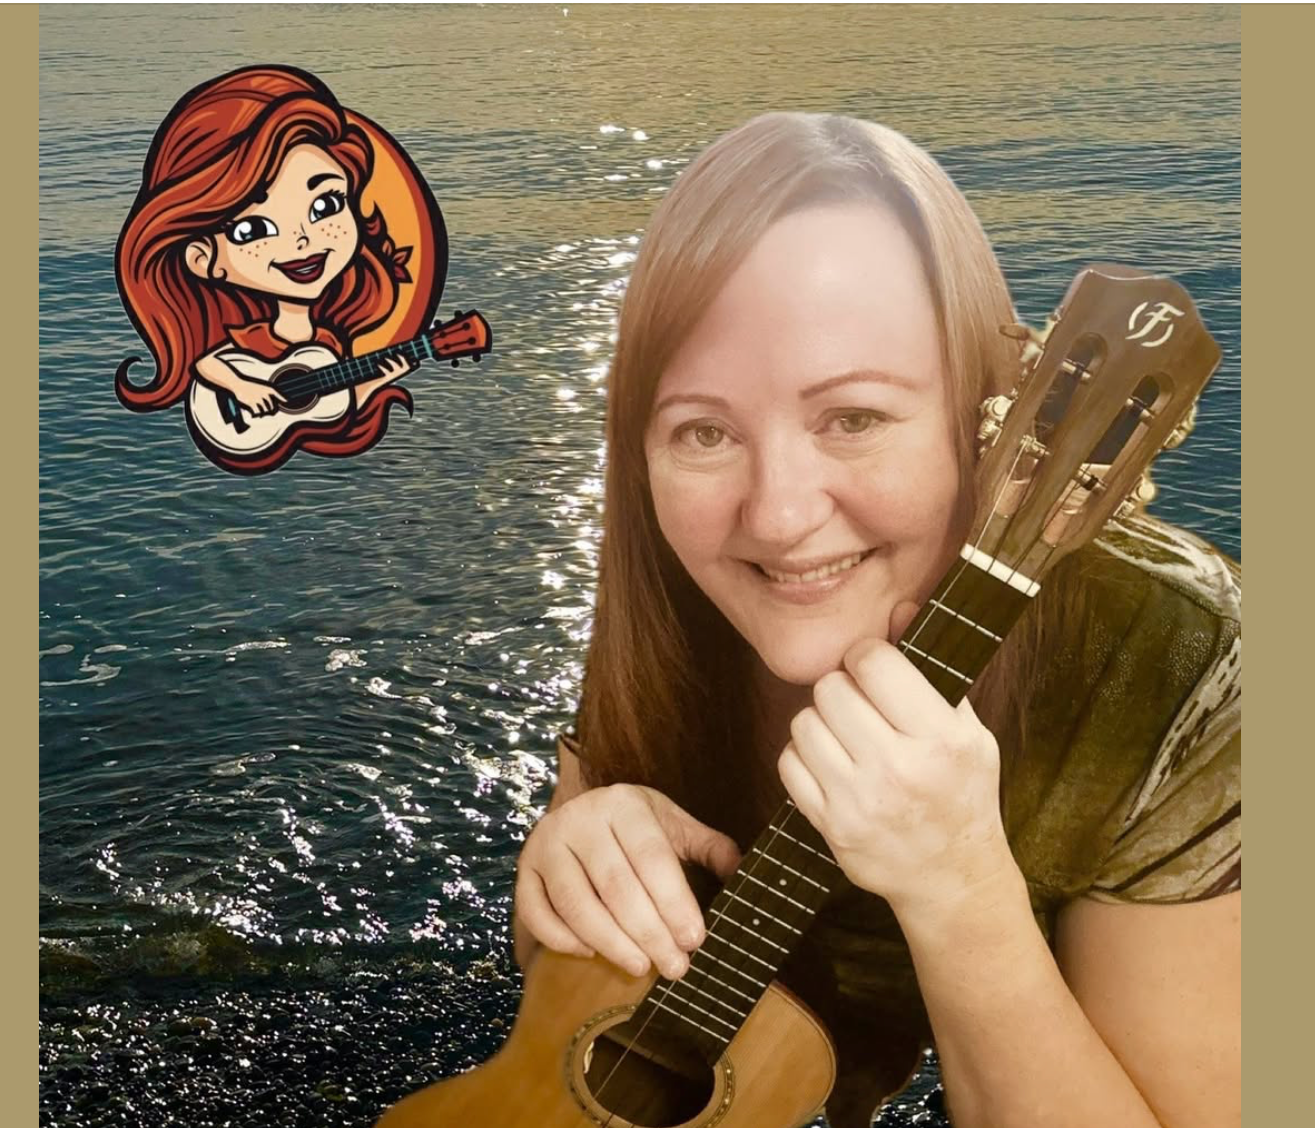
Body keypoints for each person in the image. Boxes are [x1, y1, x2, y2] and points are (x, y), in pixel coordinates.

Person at [512, 114, 1240, 1127]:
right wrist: (573, 874)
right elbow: (568, 1017)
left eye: (852, 418)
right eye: (704, 431)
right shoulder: (679, 579)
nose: (776, 515)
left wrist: (958, 887)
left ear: (985, 412)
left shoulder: (1182, 661)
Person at [114, 65, 428, 463]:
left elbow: (333, 407)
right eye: (253, 229)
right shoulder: (251, 340)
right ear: (203, 260)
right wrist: (243, 388)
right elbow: (207, 364)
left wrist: (376, 383)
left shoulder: (328, 346)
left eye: (326, 205)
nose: (301, 240)